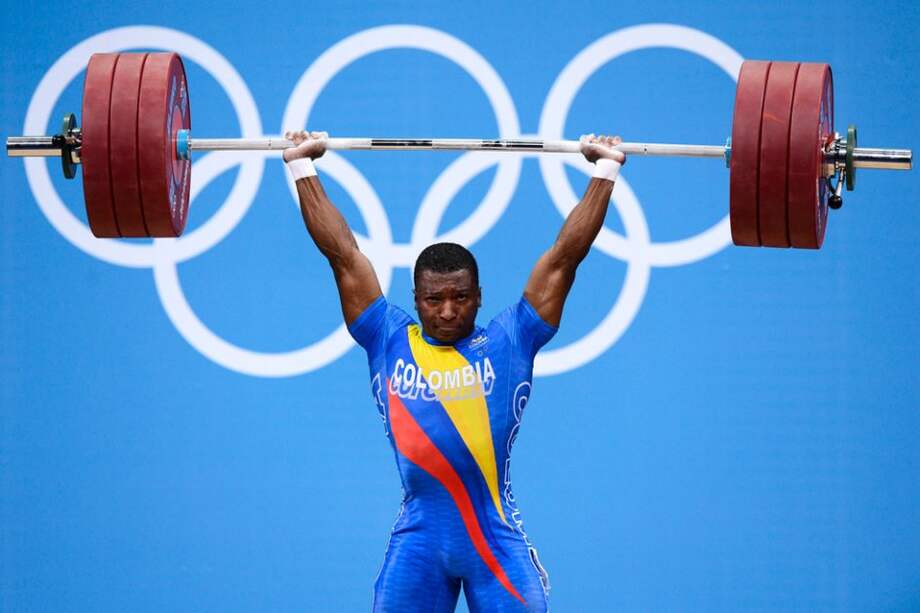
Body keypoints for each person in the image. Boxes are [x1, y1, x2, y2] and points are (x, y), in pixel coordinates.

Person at [283, 130, 625, 612]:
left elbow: (565, 258)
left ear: (479, 296)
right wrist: (302, 165)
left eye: (461, 297)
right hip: (419, 542)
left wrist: (605, 170)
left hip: (494, 543)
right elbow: (342, 255)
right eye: (434, 299)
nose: (447, 311)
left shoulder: (511, 339)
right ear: (415, 299)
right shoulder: (387, 336)